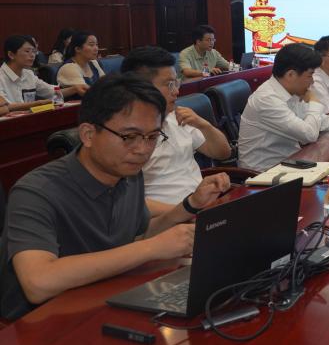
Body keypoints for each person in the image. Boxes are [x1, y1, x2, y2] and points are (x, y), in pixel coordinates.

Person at [0, 74, 230, 321]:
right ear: (88, 134)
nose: (142, 150)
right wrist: (152, 248)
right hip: (42, 323)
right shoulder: (36, 191)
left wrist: (190, 205)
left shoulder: (128, 173)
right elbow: (38, 282)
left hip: (106, 298)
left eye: (152, 137)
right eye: (129, 137)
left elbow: (139, 236)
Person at [122, 46, 232, 208]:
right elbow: (128, 203)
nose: (176, 91)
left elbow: (223, 153)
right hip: (168, 216)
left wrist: (203, 125)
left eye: (176, 83)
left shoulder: (177, 116)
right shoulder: (125, 135)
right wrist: (187, 210)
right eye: (169, 85)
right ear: (141, 88)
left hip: (202, 205)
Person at [238, 43, 329, 171]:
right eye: (310, 75)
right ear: (290, 75)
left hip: (290, 163)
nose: (312, 82)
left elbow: (322, 121)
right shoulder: (267, 99)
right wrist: (314, 102)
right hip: (263, 174)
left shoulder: (289, 91)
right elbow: (309, 135)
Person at [0, 35, 84, 110]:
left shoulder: (28, 74)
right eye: (27, 51)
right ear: (11, 55)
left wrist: (75, 88)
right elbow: (5, 107)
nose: (32, 55)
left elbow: (51, 91)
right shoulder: (1, 77)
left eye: (34, 51)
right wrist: (36, 104)